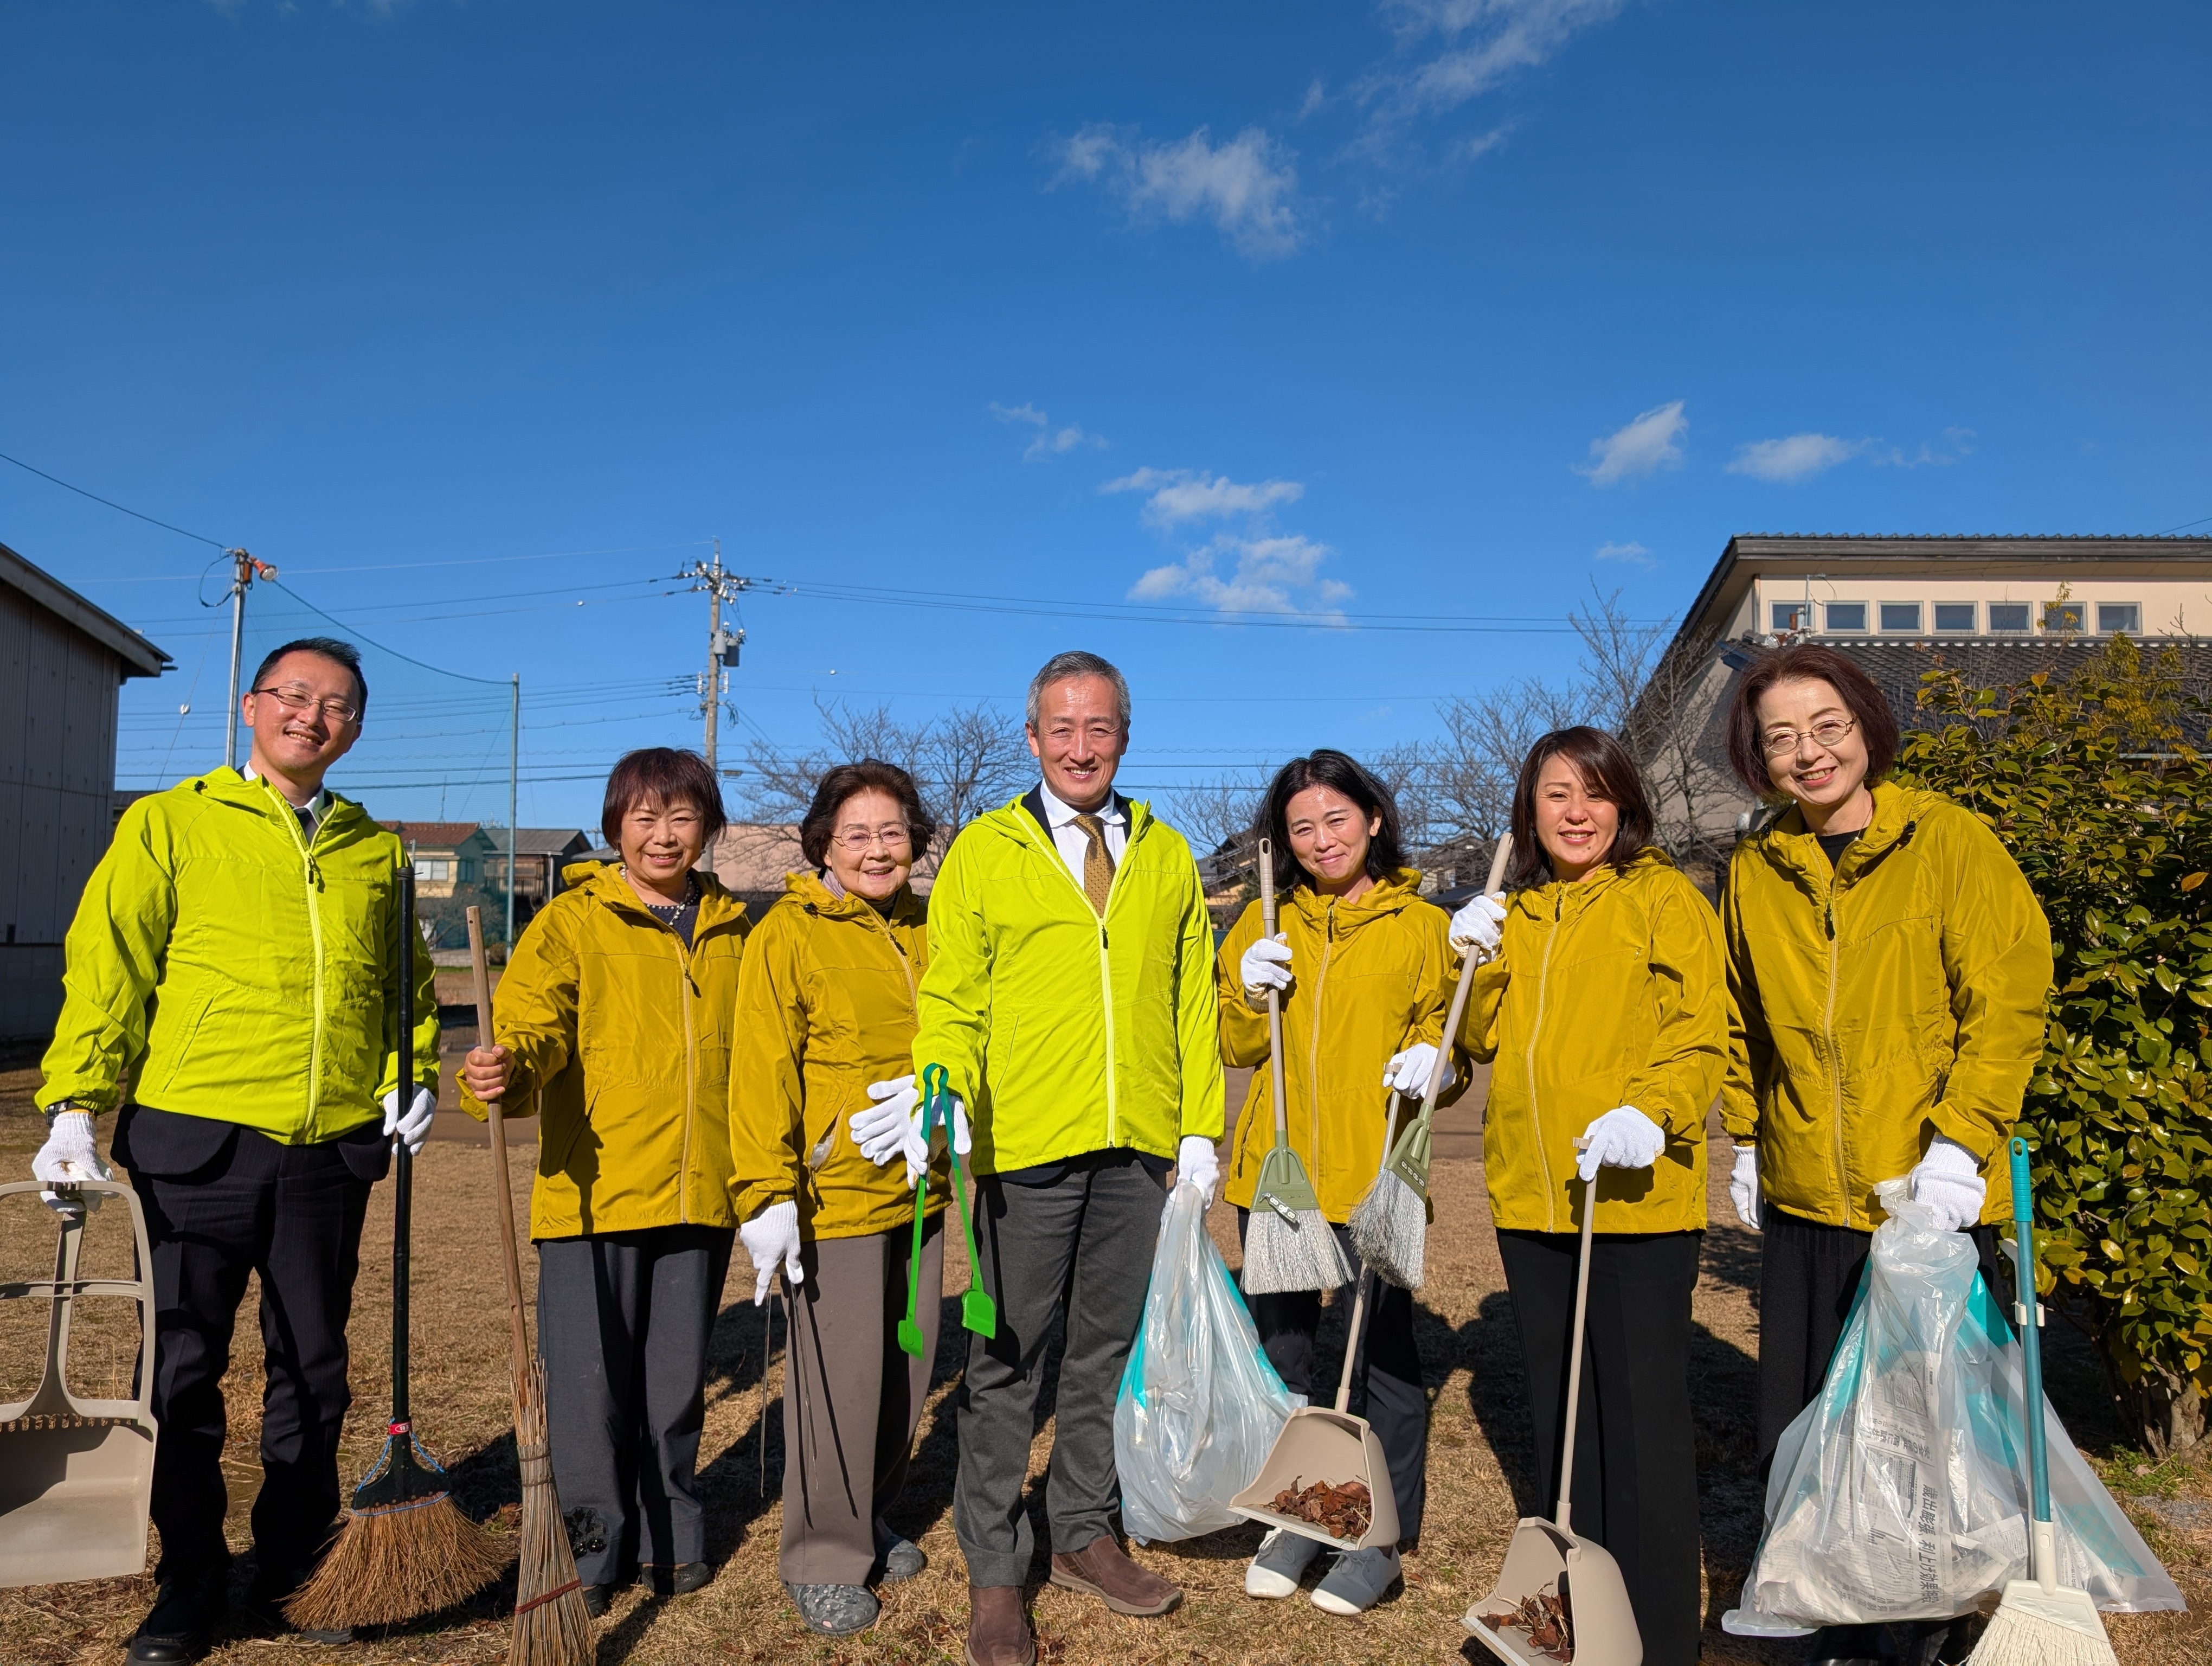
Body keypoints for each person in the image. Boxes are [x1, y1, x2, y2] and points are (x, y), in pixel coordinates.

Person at [31, 636, 438, 1664]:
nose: (313, 716)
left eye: (337, 705)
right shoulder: (171, 823)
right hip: (193, 1146)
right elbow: (110, 964)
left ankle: (294, 1561)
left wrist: (411, 1072)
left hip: (328, 1152)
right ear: (253, 706)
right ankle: (191, 1575)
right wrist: (75, 1102)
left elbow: (405, 988)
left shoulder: (374, 850)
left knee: (316, 1370)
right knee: (180, 1371)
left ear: (355, 728)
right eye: (294, 696)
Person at [1718, 644, 2051, 1666]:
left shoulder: (1948, 842)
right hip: (1807, 1196)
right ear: (1758, 758)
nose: (1809, 753)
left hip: (1926, 1205)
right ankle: (1820, 1602)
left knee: (1922, 1439)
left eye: (1828, 727)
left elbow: (2009, 998)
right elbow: (1745, 1024)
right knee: (1806, 1421)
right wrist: (1745, 1137)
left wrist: (1961, 1147)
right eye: (1782, 737)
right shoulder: (1754, 867)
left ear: (1865, 728)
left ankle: (1919, 1627)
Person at [910, 649, 1223, 1666]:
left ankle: (1084, 1528)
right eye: (1062, 728)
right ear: (1033, 738)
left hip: (1135, 1147)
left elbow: (1193, 997)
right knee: (1007, 1364)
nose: (1080, 746)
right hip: (1024, 1148)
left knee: (1104, 1354)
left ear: (1124, 736)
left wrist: (1198, 1126)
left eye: (1100, 728)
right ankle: (998, 1570)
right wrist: (940, 1093)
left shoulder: (1168, 852)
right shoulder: (985, 851)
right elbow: (952, 995)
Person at [1448, 727, 1725, 1666]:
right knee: (1569, 1423)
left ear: (1624, 806)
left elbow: (1701, 1035)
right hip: (1533, 1197)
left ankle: (1656, 1640)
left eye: (1595, 794)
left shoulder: (1665, 900)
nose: (1576, 813)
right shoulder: (1516, 913)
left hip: (1634, 1195)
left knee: (1642, 1422)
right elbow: (1479, 1040)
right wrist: (1471, 959)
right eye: (1556, 795)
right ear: (1529, 811)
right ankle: (1585, 1615)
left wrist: (1655, 1111)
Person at [458, 747, 750, 1616]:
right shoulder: (573, 922)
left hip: (702, 1190)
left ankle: (671, 1536)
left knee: (673, 1383)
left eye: (682, 817)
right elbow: (536, 1025)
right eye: (644, 818)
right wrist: (509, 1071)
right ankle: (589, 1549)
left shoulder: (739, 927)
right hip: (594, 1193)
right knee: (588, 1390)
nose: (663, 835)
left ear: (707, 826)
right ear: (617, 824)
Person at [1217, 749, 1461, 1616]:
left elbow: (1450, 1041)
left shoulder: (1424, 928)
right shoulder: (1264, 918)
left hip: (1375, 1175)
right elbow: (1237, 1044)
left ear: (1375, 819)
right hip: (1278, 1174)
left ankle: (1377, 1534)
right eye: (1301, 828)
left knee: (1385, 1365)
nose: (1322, 841)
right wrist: (1245, 991)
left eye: (1337, 820)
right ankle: (1298, 1512)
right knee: (1286, 1354)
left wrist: (1441, 1058)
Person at [728, 759, 950, 1637]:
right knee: (840, 1384)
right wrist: (767, 1191)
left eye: (892, 832)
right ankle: (821, 1552)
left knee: (910, 1370)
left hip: (922, 1188)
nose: (876, 849)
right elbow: (760, 1074)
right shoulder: (788, 934)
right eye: (856, 834)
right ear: (824, 842)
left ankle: (870, 1515)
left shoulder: (933, 927)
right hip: (836, 1199)